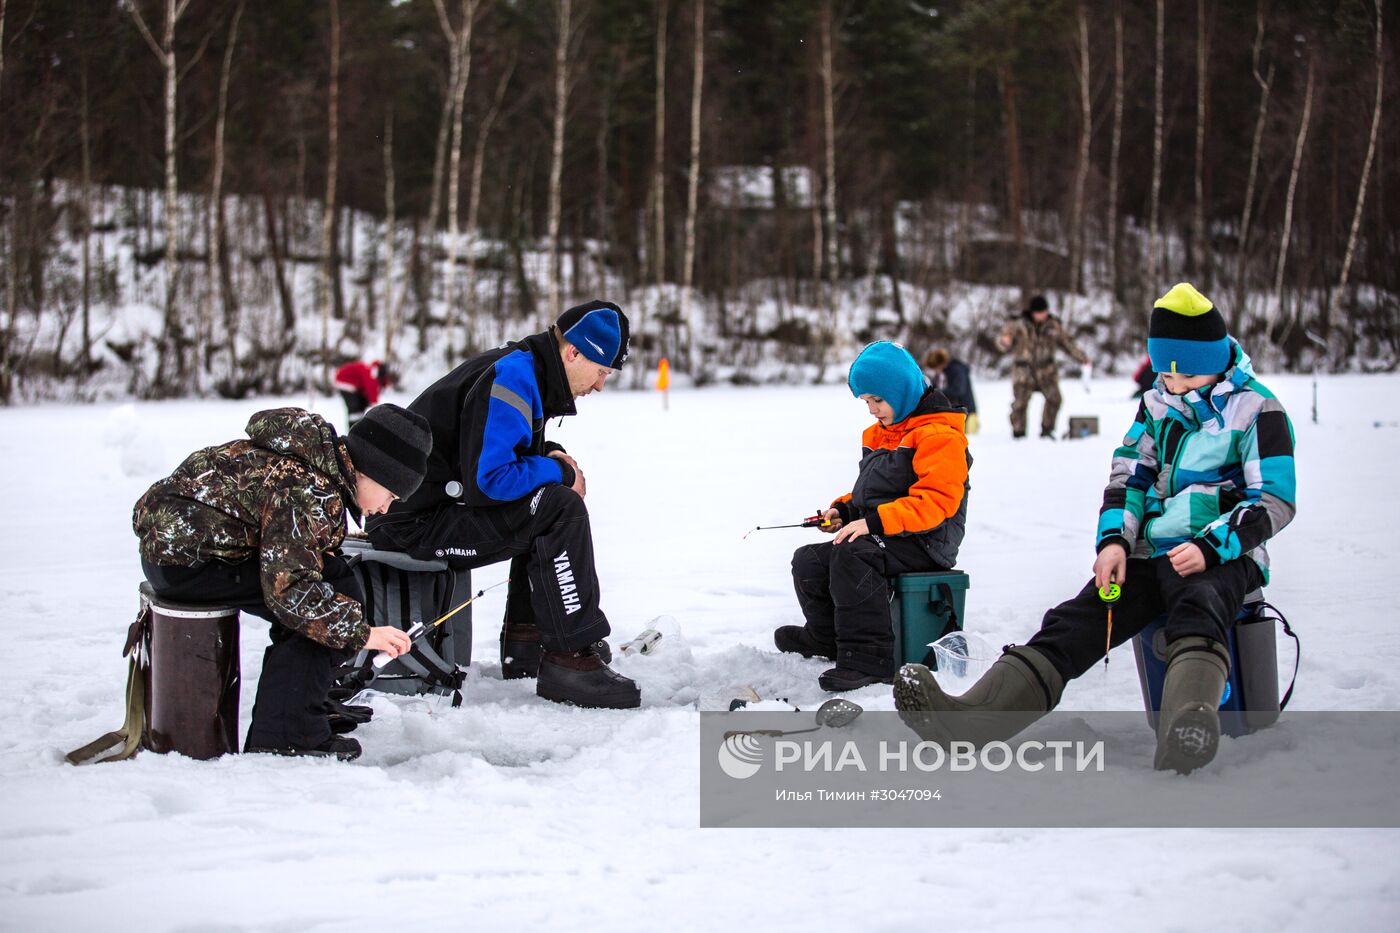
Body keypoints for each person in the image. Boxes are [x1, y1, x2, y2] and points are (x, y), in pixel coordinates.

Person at [895, 283, 1296, 774]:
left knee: (1199, 606)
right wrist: (1114, 543)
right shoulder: (1156, 406)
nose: (1176, 386)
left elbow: (1273, 499)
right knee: (1075, 620)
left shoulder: (1258, 408)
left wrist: (1214, 547)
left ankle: (1186, 726)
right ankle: (971, 720)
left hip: (1224, 555)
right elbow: (1128, 479)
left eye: (1188, 374)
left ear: (1219, 360)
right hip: (1149, 554)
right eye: (1166, 375)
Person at [367, 300, 640, 710]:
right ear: (573, 353)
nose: (600, 385)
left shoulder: (526, 369)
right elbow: (490, 480)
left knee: (541, 503)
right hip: (411, 524)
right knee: (558, 506)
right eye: (601, 372)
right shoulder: (514, 377)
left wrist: (552, 455)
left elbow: (498, 450)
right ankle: (568, 655)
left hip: (428, 511)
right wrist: (560, 473)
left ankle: (528, 646)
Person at [133, 405, 434, 761]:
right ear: (371, 472)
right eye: (391, 495)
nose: (386, 509)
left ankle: (309, 702)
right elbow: (292, 592)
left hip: (190, 553)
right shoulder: (310, 489)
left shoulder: (317, 465)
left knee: (336, 581)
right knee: (317, 610)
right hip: (188, 564)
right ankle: (288, 735)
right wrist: (365, 634)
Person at [775, 341, 971, 692]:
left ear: (903, 391)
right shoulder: (882, 434)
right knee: (809, 560)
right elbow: (872, 494)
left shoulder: (940, 436)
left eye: (877, 400)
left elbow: (937, 502)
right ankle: (827, 637)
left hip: (926, 540)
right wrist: (845, 511)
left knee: (855, 552)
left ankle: (869, 657)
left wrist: (872, 524)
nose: (871, 410)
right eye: (866, 402)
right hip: (891, 532)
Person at [997, 294, 1091, 438]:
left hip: (1046, 370)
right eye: (1038, 312)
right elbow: (1002, 343)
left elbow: (1067, 344)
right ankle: (1018, 432)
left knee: (1055, 399)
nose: (1041, 315)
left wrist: (1082, 358)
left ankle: (1047, 429)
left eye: (1044, 312)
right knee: (1020, 403)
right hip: (1024, 370)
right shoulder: (1018, 324)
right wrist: (1005, 342)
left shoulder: (1053, 325)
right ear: (1032, 312)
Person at [923, 347, 979, 434]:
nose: (935, 371)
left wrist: (938, 392)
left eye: (935, 367)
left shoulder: (956, 370)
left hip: (968, 414)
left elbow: (958, 390)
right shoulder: (943, 374)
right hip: (957, 415)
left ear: (940, 363)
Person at [334, 359, 396, 427]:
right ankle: (354, 427)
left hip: (350, 384)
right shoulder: (371, 372)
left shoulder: (370, 370)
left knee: (360, 404)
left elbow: (376, 383)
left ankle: (358, 424)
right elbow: (371, 386)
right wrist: (374, 403)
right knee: (355, 408)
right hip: (345, 382)